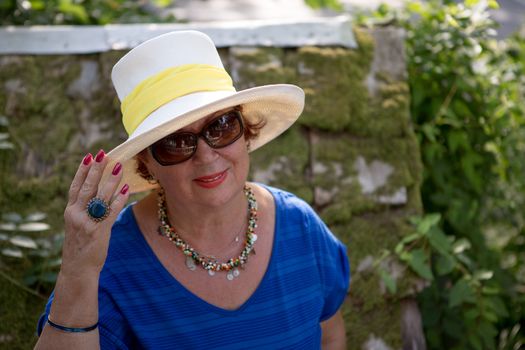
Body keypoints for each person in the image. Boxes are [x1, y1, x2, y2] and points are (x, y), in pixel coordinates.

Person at [34, 30, 349, 349]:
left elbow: (330, 337)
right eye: (175, 143)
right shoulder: (110, 258)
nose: (206, 155)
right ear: (147, 163)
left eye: (221, 126)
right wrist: (79, 268)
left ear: (245, 132)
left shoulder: (301, 227)